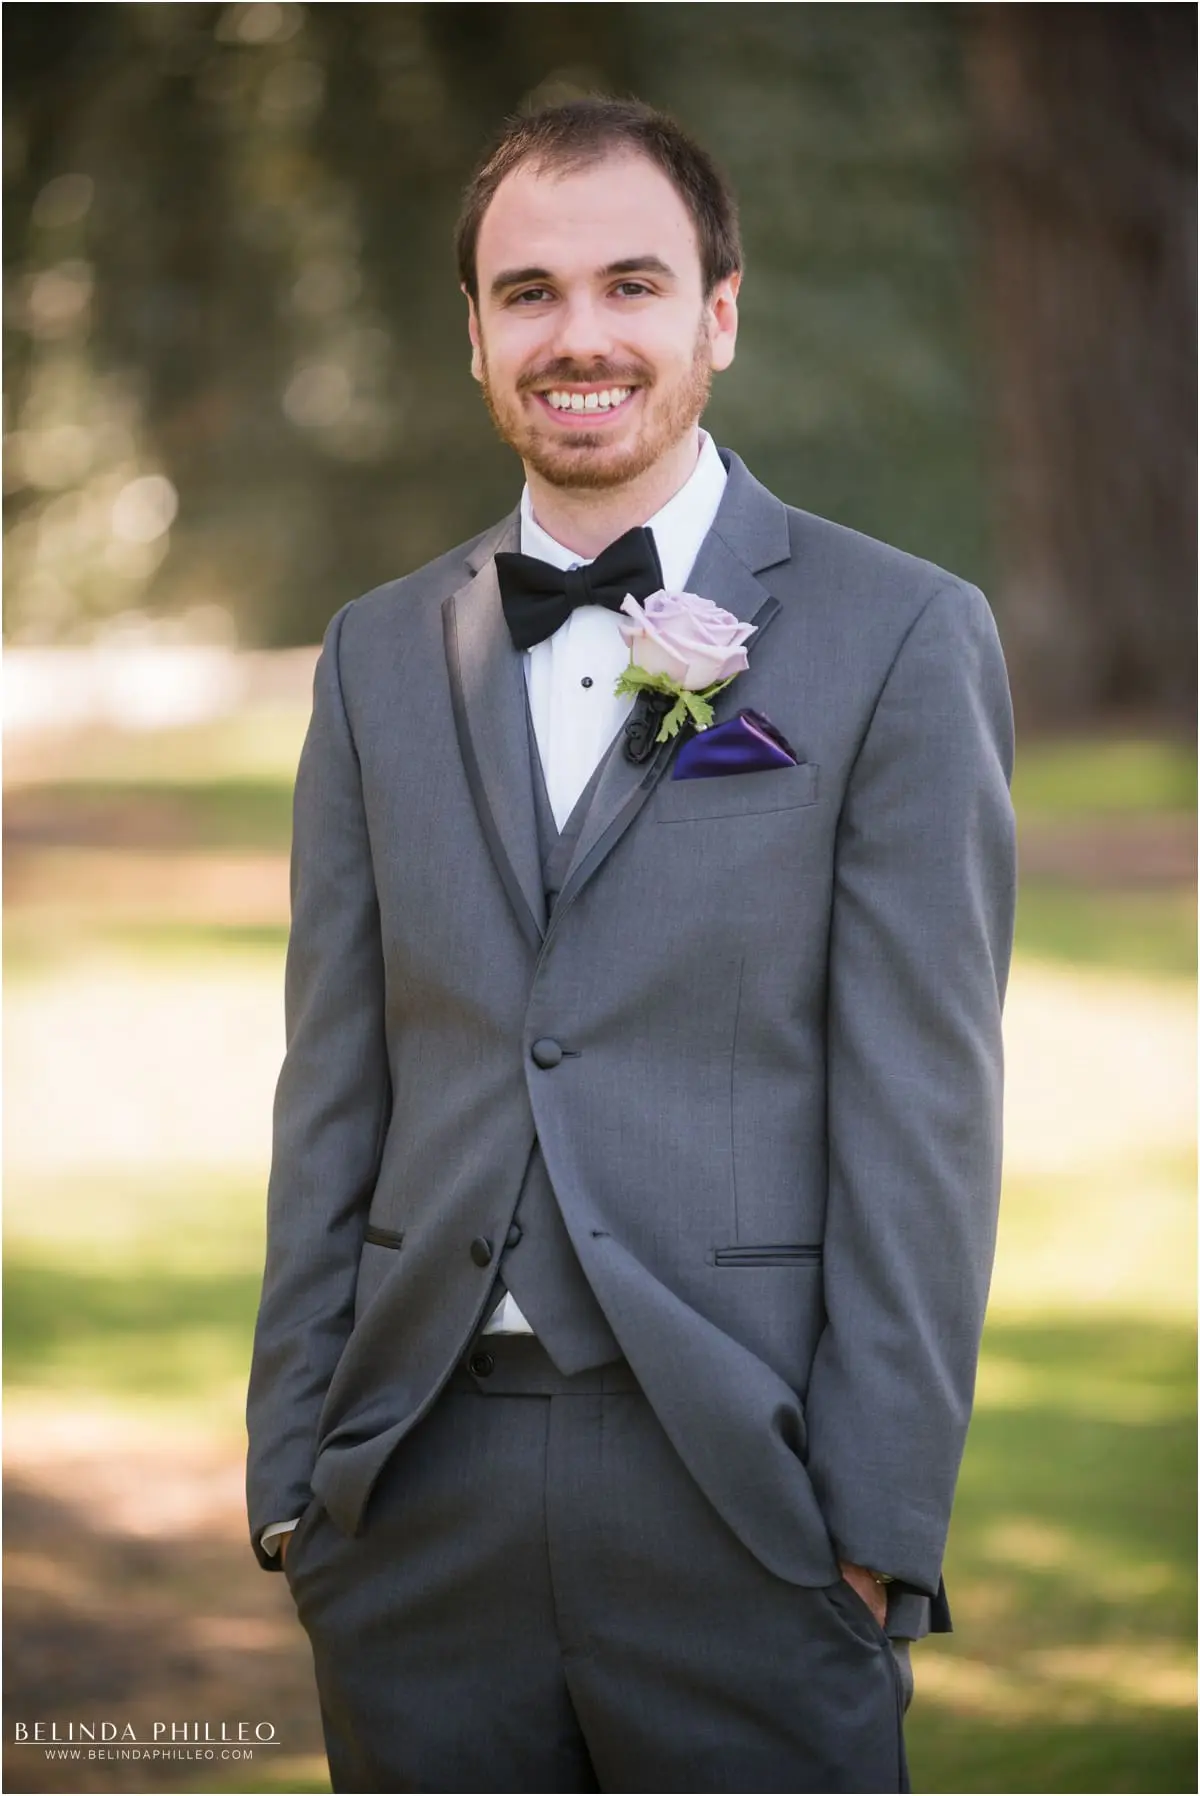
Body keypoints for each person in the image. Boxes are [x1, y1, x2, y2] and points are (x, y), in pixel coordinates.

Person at [246, 96, 1016, 1794]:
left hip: (751, 1497)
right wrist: (301, 1480)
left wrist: (875, 1528)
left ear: (717, 317)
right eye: (527, 293)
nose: (577, 335)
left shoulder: (900, 638)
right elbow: (336, 1086)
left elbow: (923, 1118)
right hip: (413, 1495)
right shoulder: (378, 655)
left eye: (631, 285)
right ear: (472, 333)